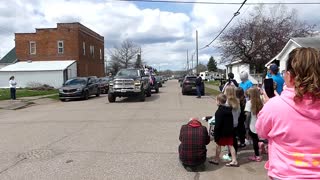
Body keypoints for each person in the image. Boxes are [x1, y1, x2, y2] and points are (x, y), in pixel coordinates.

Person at [256, 47, 320, 179]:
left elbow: (261, 132)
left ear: (290, 76)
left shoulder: (273, 107)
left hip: (285, 174)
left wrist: (268, 106)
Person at [209, 94, 239, 167]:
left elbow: (218, 125)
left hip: (221, 133)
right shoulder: (229, 110)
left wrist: (215, 134)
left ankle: (216, 159)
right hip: (229, 132)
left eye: (216, 100)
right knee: (231, 146)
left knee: (218, 145)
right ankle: (234, 160)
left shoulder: (219, 112)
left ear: (218, 101)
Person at [245, 87, 264, 162]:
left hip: (252, 124)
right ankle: (261, 144)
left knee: (254, 140)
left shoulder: (249, 103)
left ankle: (257, 155)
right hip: (260, 123)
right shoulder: (261, 102)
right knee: (258, 138)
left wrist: (246, 126)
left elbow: (248, 115)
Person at [224, 86, 241, 159]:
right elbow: (239, 112)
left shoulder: (226, 102)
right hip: (235, 122)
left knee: (229, 140)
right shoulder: (237, 100)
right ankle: (234, 153)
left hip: (228, 124)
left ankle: (230, 154)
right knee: (234, 139)